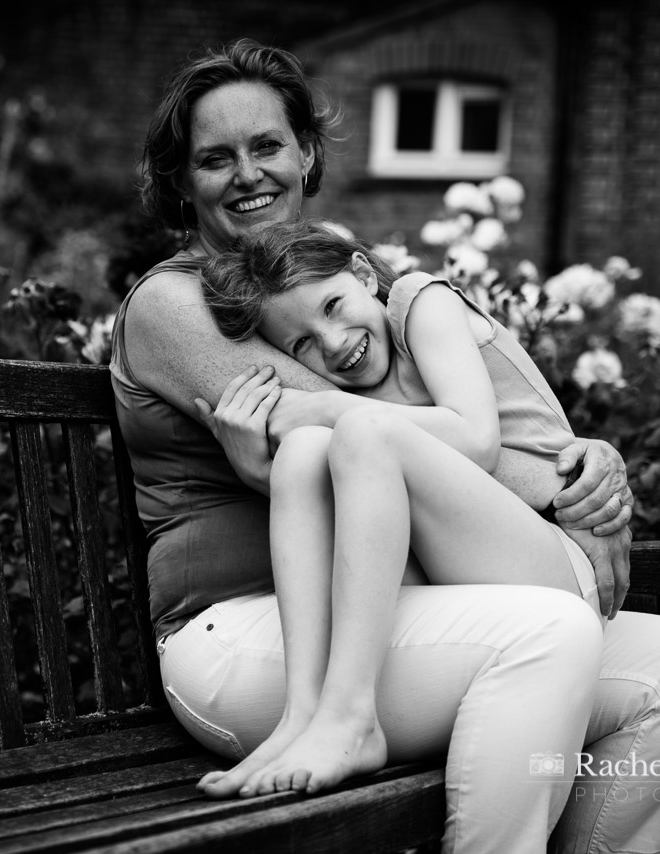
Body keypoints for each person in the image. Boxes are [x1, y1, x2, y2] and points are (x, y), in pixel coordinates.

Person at [110, 38, 660, 853]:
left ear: (305, 153)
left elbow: (453, 430)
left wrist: (585, 467)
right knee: (548, 631)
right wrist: (561, 487)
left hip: (390, 612)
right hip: (248, 637)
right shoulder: (174, 302)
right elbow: (352, 426)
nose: (248, 174)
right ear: (183, 184)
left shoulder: (323, 292)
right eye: (215, 159)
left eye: (267, 146)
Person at [193, 219, 605, 796]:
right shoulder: (361, 397)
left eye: (334, 306)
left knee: (355, 433)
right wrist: (262, 467)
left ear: (364, 275)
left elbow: (475, 439)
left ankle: (352, 716)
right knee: (311, 450)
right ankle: (302, 718)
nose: (333, 343)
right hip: (458, 578)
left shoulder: (419, 301)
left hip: (553, 562)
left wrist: (322, 409)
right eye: (302, 345)